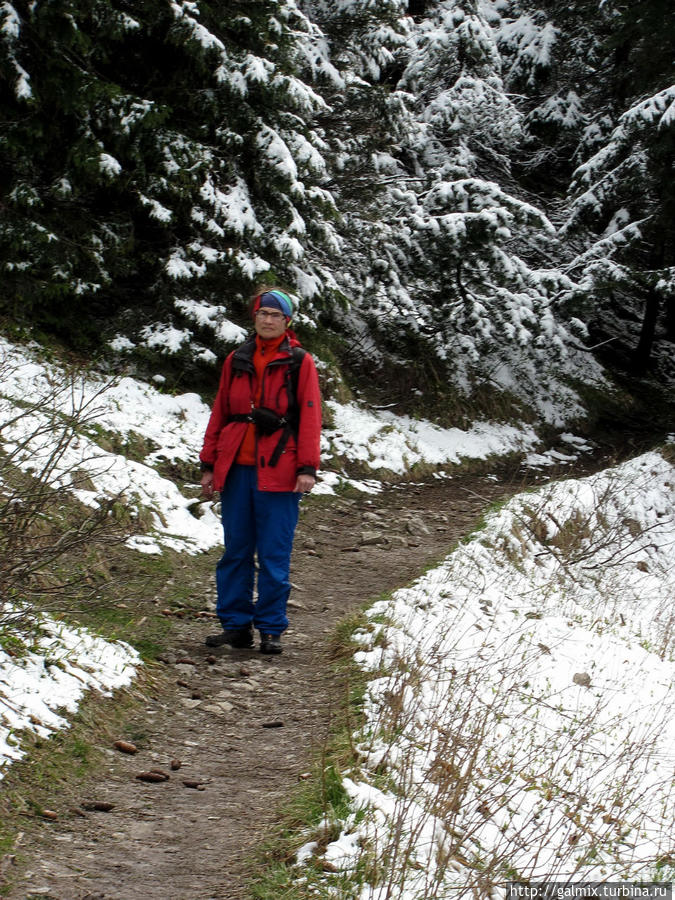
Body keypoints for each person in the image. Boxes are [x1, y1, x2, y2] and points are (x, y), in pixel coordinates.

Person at [199, 289, 322, 655]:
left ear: (288, 321)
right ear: (254, 318)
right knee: (236, 551)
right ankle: (236, 626)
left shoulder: (300, 362)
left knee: (273, 552)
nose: (267, 320)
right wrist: (209, 464)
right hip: (236, 469)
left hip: (281, 471)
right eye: (262, 313)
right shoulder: (236, 359)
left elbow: (311, 416)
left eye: (275, 314)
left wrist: (307, 467)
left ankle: (270, 628)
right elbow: (220, 411)